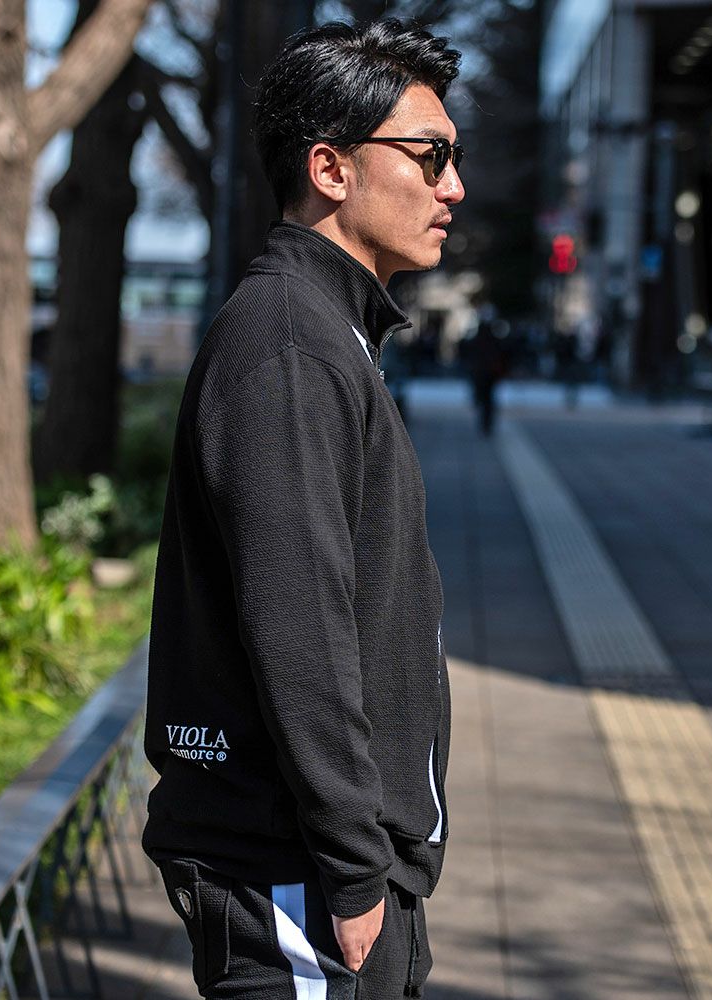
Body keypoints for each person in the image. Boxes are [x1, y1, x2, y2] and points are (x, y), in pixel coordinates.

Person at [142, 19, 463, 999]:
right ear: (330, 168)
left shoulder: (324, 331)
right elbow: (300, 623)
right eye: (430, 156)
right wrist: (353, 864)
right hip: (293, 872)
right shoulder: (289, 342)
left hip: (318, 866)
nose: (453, 187)